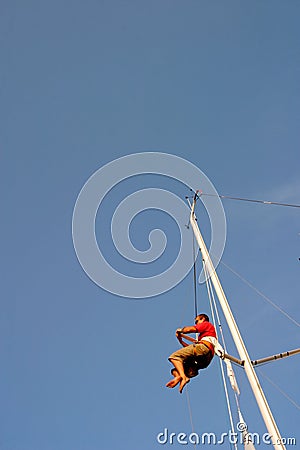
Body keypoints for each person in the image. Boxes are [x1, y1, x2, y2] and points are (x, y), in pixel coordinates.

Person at [166, 313, 217, 393]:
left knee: (174, 357)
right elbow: (190, 349)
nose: (196, 323)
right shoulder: (204, 337)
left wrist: (181, 330)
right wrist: (180, 340)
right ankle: (179, 376)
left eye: (197, 321)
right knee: (175, 370)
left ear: (203, 319)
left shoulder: (206, 324)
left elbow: (191, 329)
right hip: (205, 359)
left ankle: (183, 377)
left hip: (203, 350)